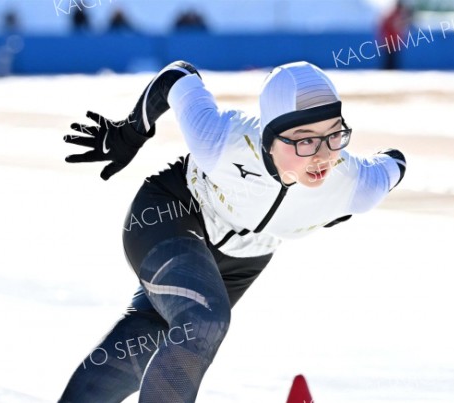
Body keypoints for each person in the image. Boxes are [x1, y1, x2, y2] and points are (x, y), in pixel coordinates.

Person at [58, 60, 406, 402]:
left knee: (149, 336)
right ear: (269, 137)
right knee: (202, 321)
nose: (322, 156)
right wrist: (131, 131)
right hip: (173, 215)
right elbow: (178, 76)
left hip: (244, 260)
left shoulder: (352, 185)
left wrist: (334, 206)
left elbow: (394, 163)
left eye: (333, 135)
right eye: (304, 141)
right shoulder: (224, 142)